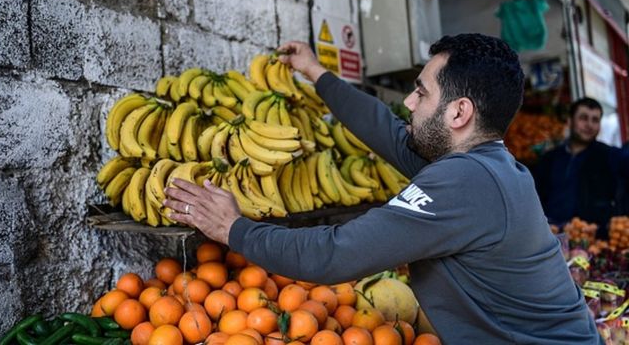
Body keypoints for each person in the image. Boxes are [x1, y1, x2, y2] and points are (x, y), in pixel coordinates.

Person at [163, 34, 601, 344]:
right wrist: (316, 72)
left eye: (421, 93)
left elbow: (337, 254)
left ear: (459, 112)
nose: (409, 103)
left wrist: (234, 229)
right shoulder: (487, 165)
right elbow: (387, 131)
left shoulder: (466, 183)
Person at [533, 98, 622, 237]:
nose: (589, 125)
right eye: (583, 118)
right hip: (550, 235)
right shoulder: (549, 159)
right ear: (569, 121)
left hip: (591, 238)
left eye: (595, 120)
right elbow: (537, 196)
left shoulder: (609, 156)